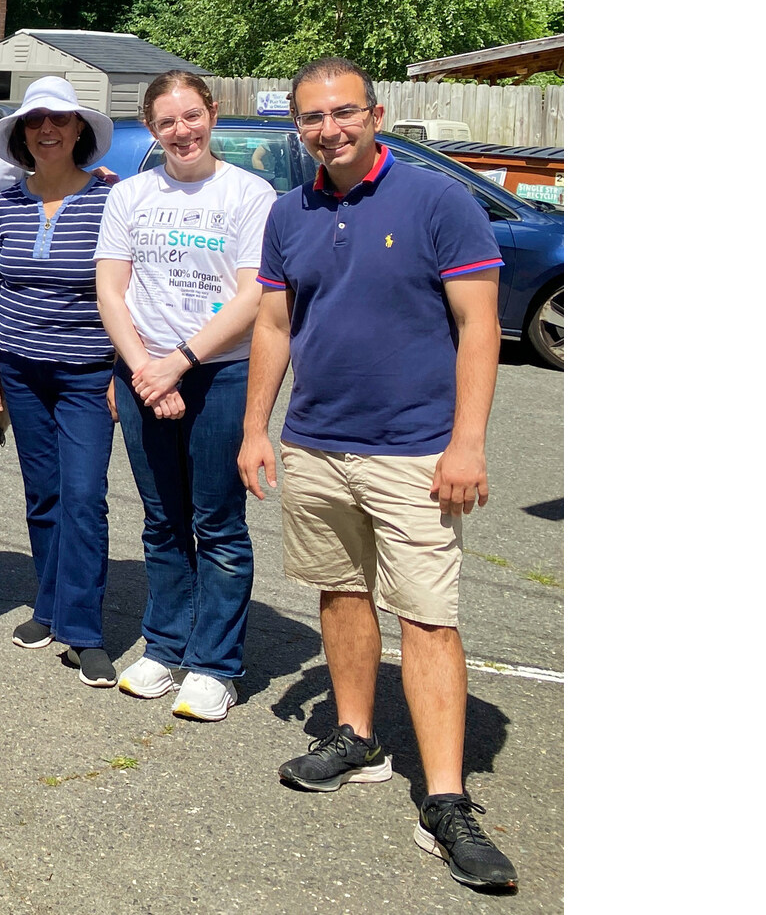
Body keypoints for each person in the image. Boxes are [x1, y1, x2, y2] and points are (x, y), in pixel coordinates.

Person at [240, 57, 516, 891]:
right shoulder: (288, 214)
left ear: (375, 113)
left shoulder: (439, 202)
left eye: (343, 113)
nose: (330, 130)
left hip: (415, 450)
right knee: (339, 593)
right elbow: (275, 326)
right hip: (316, 443)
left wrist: (467, 443)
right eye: (313, 118)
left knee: (427, 616)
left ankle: (444, 797)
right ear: (299, 127)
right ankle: (353, 735)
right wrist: (257, 427)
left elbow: (479, 328)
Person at [94, 71, 275, 721]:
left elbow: (255, 295)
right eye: (166, 122)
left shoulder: (248, 195)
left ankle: (214, 665)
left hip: (217, 374)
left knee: (217, 523)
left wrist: (179, 363)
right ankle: (166, 646)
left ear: (212, 113)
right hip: (141, 372)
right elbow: (110, 291)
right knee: (162, 520)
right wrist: (145, 369)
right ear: (151, 128)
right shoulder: (132, 196)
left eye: (191, 116)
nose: (181, 131)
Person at [0, 75, 123, 688]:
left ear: (79, 128)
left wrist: (122, 369)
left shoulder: (111, 200)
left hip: (89, 372)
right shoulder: (4, 203)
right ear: (23, 135)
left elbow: (129, 293)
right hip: (22, 373)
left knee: (84, 497)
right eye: (36, 122)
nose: (48, 130)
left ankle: (84, 631)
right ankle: (50, 605)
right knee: (45, 495)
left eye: (60, 119)